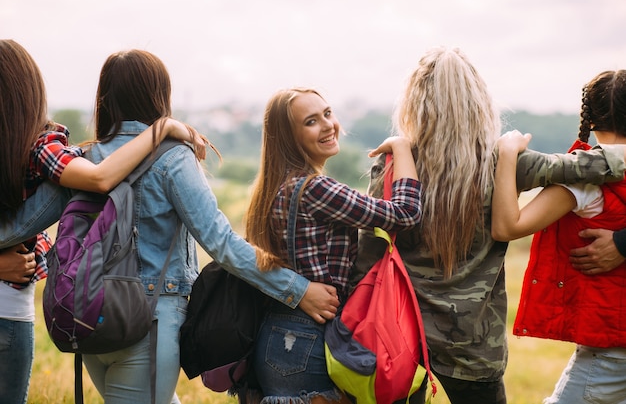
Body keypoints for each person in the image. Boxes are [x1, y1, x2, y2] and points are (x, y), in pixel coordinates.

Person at [352, 47, 626, 404]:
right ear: (479, 102)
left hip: (398, 341)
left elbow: (366, 258)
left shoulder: (394, 168)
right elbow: (607, 164)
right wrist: (509, 151)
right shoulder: (504, 164)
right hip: (475, 349)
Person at [71, 52, 340, 404]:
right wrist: (297, 290)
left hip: (91, 316)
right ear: (159, 95)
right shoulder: (172, 158)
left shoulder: (84, 158)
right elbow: (221, 243)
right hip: (148, 322)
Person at [0, 39, 207, 404]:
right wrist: (163, 130)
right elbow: (100, 179)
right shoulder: (47, 148)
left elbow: (20, 226)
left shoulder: (56, 150)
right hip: (135, 314)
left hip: (82, 313)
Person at [244, 88, 423, 403]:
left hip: (275, 333)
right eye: (311, 122)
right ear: (289, 138)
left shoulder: (273, 189)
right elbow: (405, 213)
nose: (328, 125)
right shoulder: (317, 189)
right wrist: (401, 146)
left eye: (327, 113)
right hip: (307, 337)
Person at [492, 70, 626, 404]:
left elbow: (507, 227)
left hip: (613, 349)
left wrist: (508, 155)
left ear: (590, 120)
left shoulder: (586, 180)